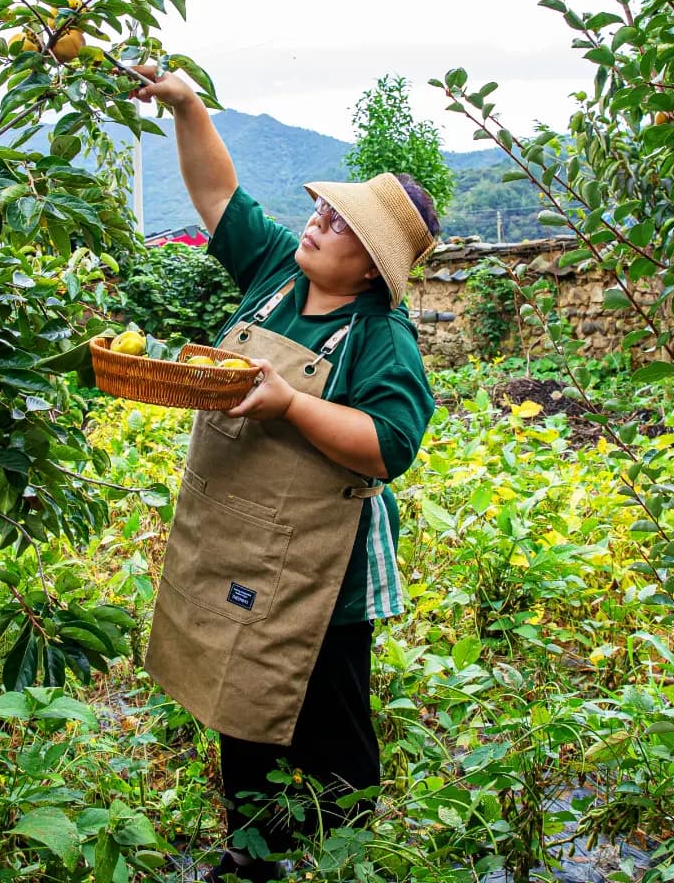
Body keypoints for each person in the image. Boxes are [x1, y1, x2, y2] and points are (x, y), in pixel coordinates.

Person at [130, 66, 438, 882]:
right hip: (240, 542)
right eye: (322, 209)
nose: (316, 220)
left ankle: (341, 855)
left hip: (323, 572)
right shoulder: (277, 277)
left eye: (337, 223)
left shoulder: (381, 339)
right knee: (244, 698)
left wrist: (291, 407)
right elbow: (218, 196)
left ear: (372, 265)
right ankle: (254, 850)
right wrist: (188, 105)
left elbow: (387, 445)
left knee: (328, 722)